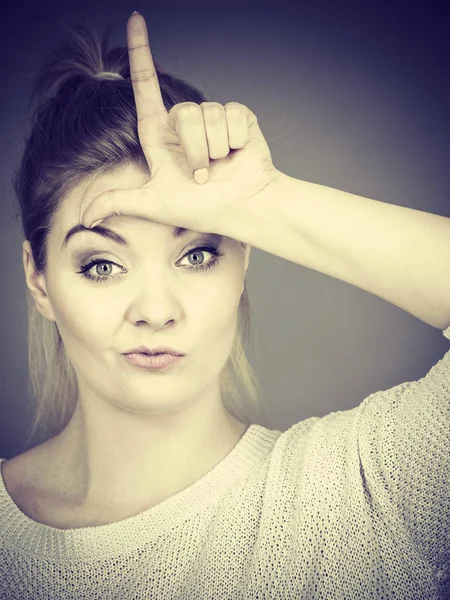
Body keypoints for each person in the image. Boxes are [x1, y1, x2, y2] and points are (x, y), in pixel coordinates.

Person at [0, 11, 449, 600]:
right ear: (39, 281)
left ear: (243, 262)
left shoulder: (364, 497)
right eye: (102, 265)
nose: (156, 311)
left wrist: (265, 203)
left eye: (197, 255)